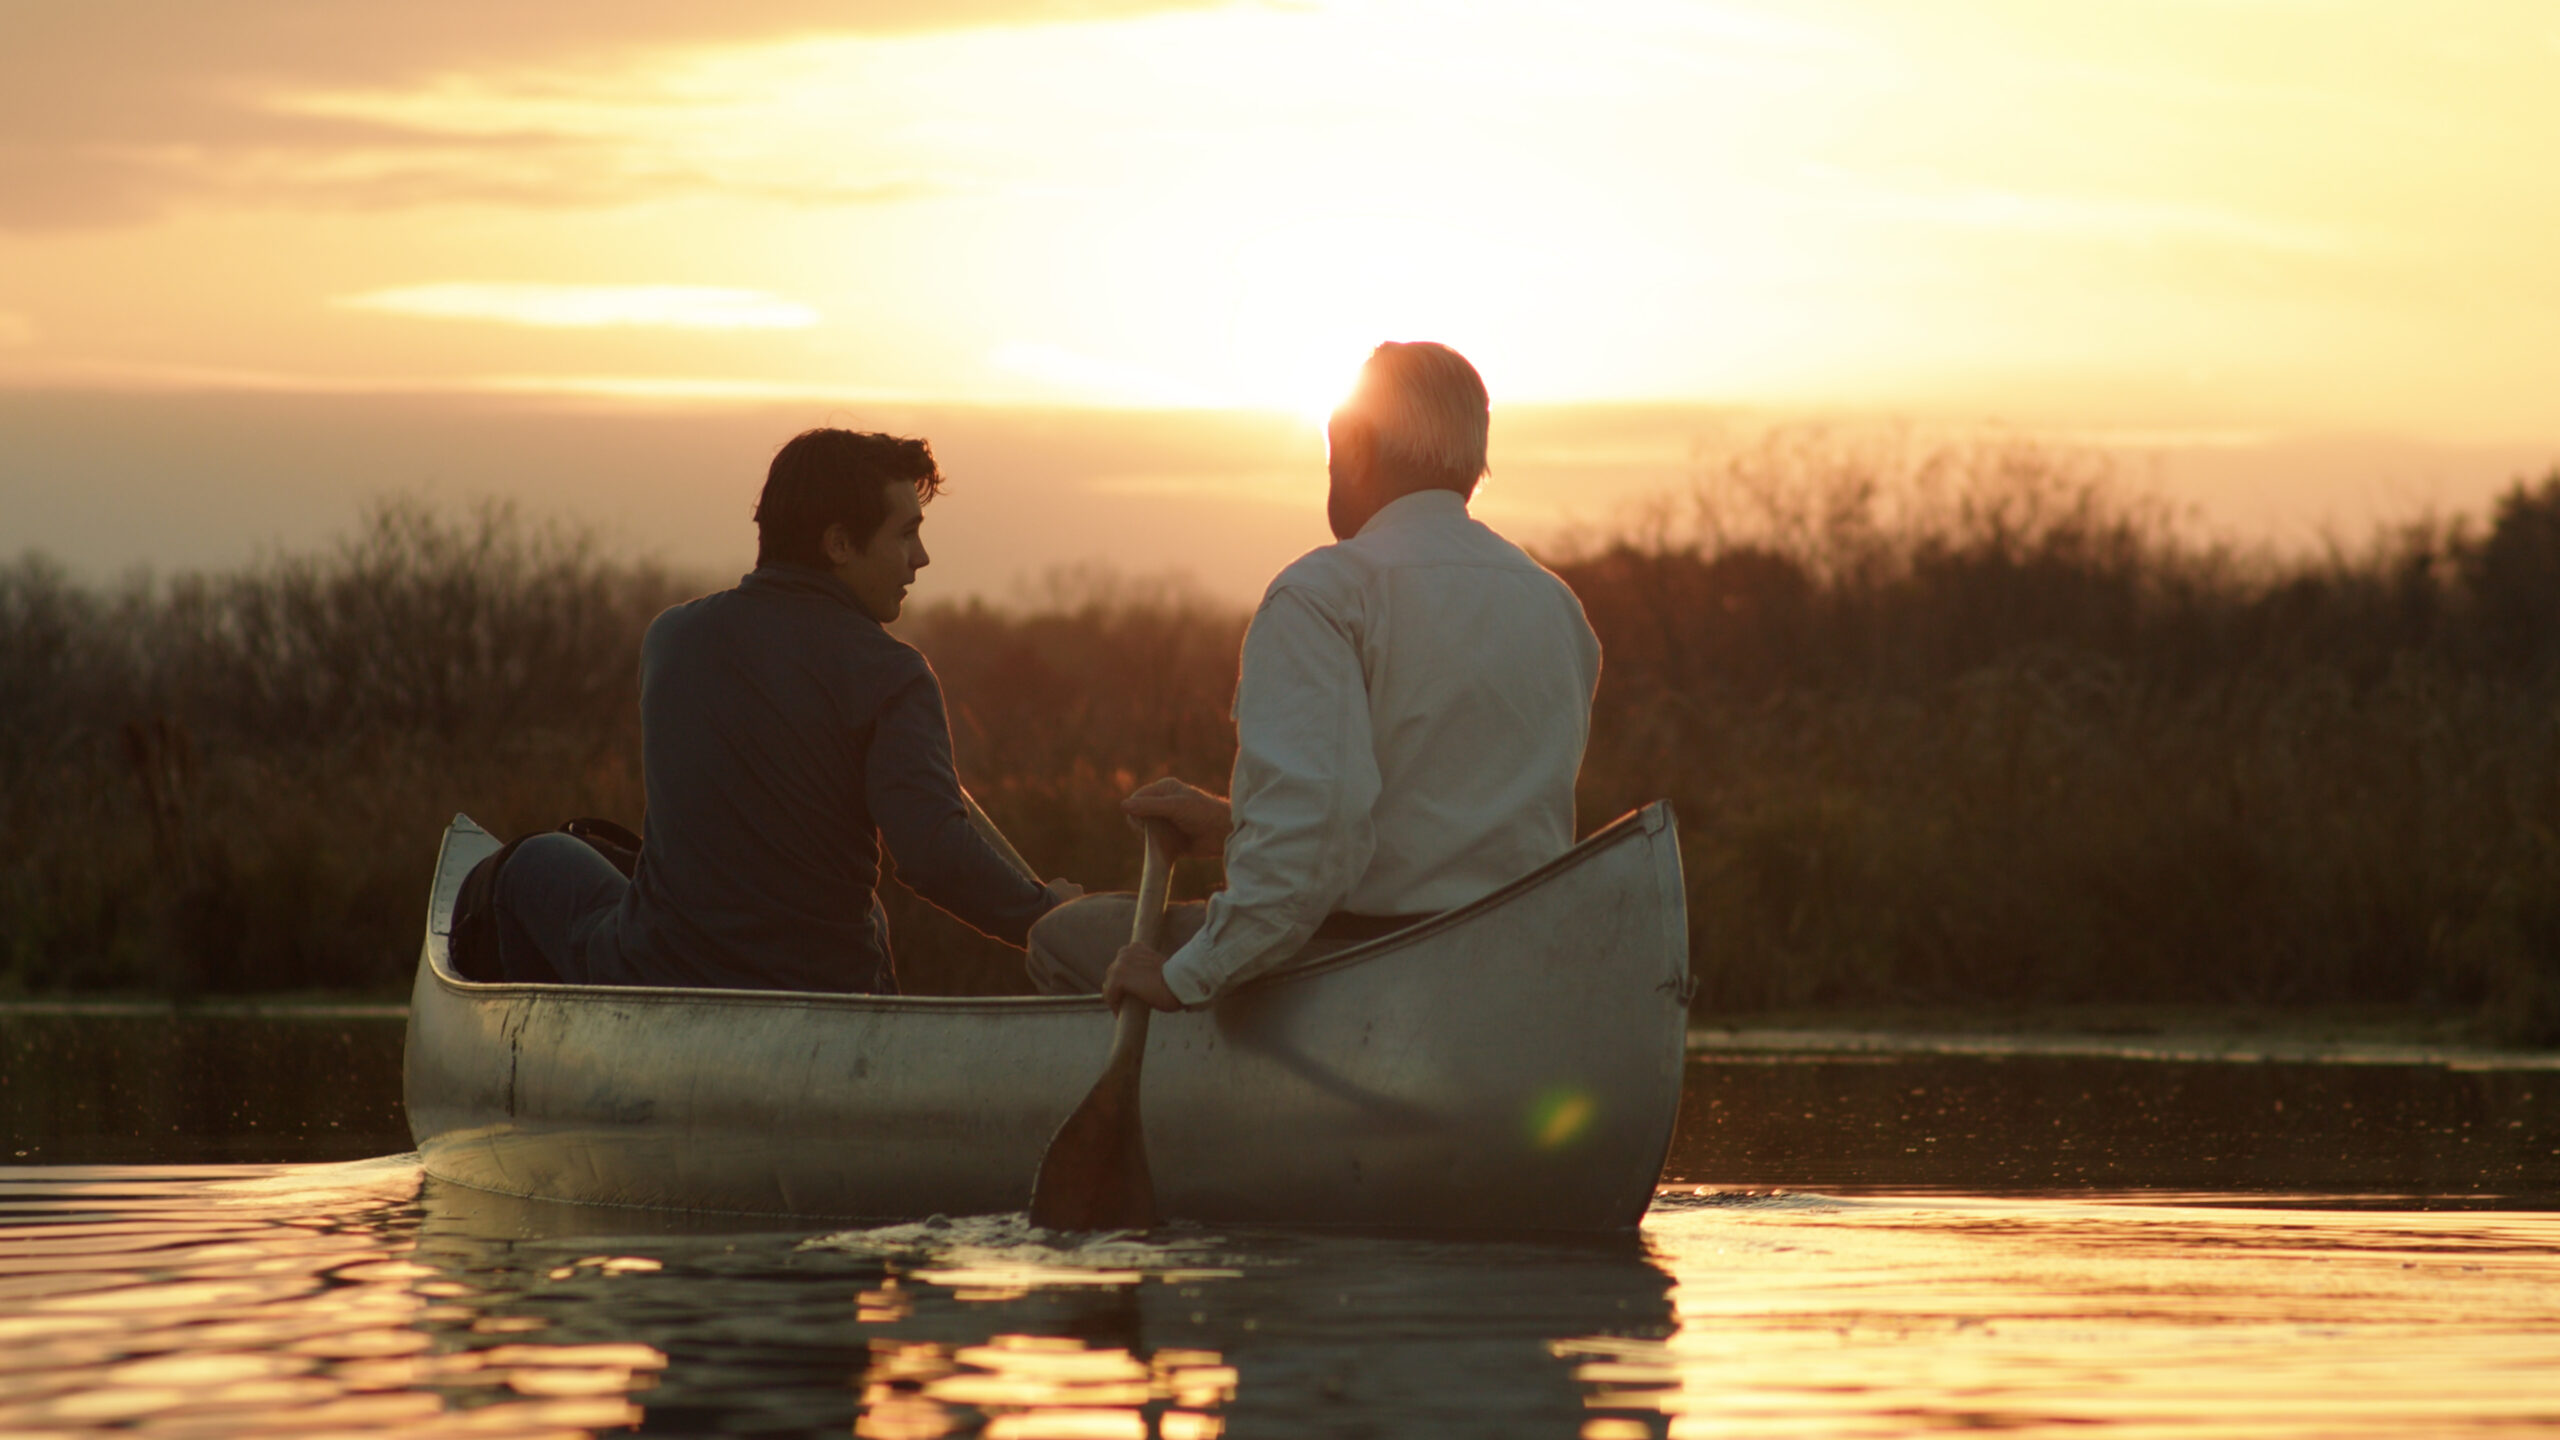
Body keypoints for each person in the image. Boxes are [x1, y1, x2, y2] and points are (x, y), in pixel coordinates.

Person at [1025, 342, 1602, 1011]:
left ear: (1352, 446)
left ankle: (1213, 1104)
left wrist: (1184, 976)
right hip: (1514, 962)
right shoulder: (1555, 604)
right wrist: (1234, 823)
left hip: (1373, 966)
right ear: (1471, 462)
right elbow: (1435, 817)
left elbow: (1315, 848)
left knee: (1063, 935)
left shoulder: (1322, 593)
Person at [490, 428, 1080, 991]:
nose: (920, 558)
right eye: (905, 534)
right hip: (826, 986)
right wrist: (1051, 918)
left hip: (660, 971)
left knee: (530, 861)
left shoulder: (669, 638)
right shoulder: (896, 675)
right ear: (839, 544)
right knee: (866, 914)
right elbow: (932, 854)